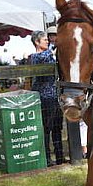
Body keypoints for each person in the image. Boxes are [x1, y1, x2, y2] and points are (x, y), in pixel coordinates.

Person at [28, 30, 64, 166]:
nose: (47, 41)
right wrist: (53, 50)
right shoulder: (36, 57)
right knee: (46, 129)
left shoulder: (49, 54)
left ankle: (60, 156)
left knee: (57, 128)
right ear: (37, 42)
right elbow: (43, 58)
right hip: (44, 97)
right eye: (44, 40)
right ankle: (47, 158)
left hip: (55, 95)